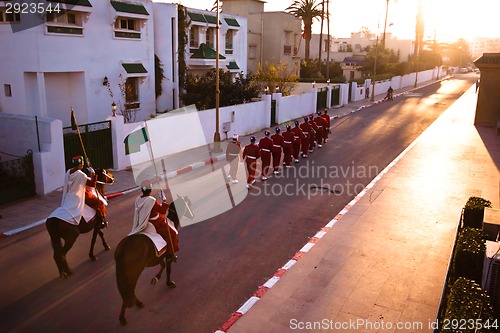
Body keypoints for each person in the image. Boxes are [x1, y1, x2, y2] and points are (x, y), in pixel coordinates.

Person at [129, 182, 178, 260]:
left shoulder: (138, 199)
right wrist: (164, 202)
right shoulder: (151, 200)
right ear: (150, 190)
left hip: (142, 221)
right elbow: (162, 211)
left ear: (142, 190)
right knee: (172, 233)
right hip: (155, 222)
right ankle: (170, 254)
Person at [48, 155, 97, 225]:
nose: (83, 166)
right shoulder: (81, 175)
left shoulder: (68, 172)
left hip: (68, 196)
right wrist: (93, 174)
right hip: (77, 198)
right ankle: (101, 221)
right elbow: (92, 184)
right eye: (82, 164)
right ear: (80, 164)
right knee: (98, 203)